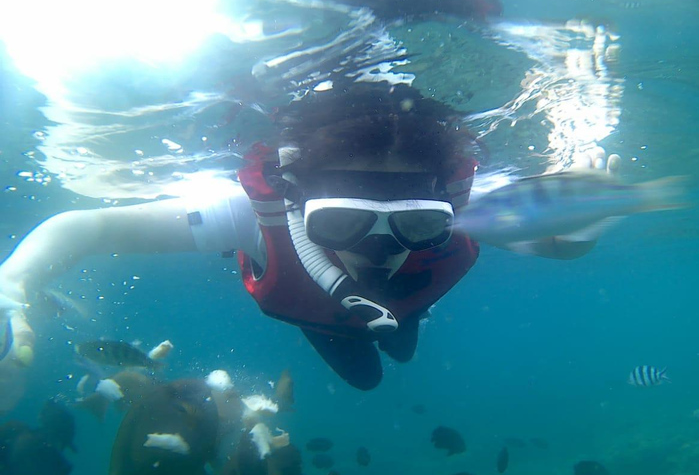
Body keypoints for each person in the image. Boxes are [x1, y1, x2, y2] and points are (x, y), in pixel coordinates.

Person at [0, 81, 616, 402]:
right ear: (297, 206)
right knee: (370, 380)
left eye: (417, 225)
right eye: (343, 222)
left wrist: (594, 211)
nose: (379, 248)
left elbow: (563, 243)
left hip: (405, 308)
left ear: (445, 207)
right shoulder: (249, 216)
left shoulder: (465, 210)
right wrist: (15, 279)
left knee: (399, 352)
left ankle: (397, 331)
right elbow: (88, 226)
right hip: (321, 319)